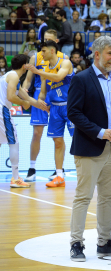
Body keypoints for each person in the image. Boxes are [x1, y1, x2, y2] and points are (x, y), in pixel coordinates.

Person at [67, 35, 111, 262]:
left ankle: (104, 242)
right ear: (97, 54)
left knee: (107, 197)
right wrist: (99, 131)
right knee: (83, 197)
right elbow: (74, 113)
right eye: (109, 53)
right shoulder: (81, 78)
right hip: (89, 146)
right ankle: (76, 243)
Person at [21, 29, 69, 182]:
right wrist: (23, 94)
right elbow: (28, 80)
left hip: (59, 97)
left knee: (59, 137)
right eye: (44, 40)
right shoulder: (36, 57)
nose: (45, 42)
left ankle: (59, 170)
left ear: (55, 43)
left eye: (49, 40)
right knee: (37, 133)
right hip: (40, 95)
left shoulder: (64, 59)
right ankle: (32, 168)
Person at [0, 55, 47, 188]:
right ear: (25, 66)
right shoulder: (14, 76)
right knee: (14, 142)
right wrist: (23, 103)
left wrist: (41, 106)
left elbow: (26, 97)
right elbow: (11, 97)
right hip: (2, 111)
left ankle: (15, 178)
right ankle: (15, 179)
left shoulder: (11, 76)